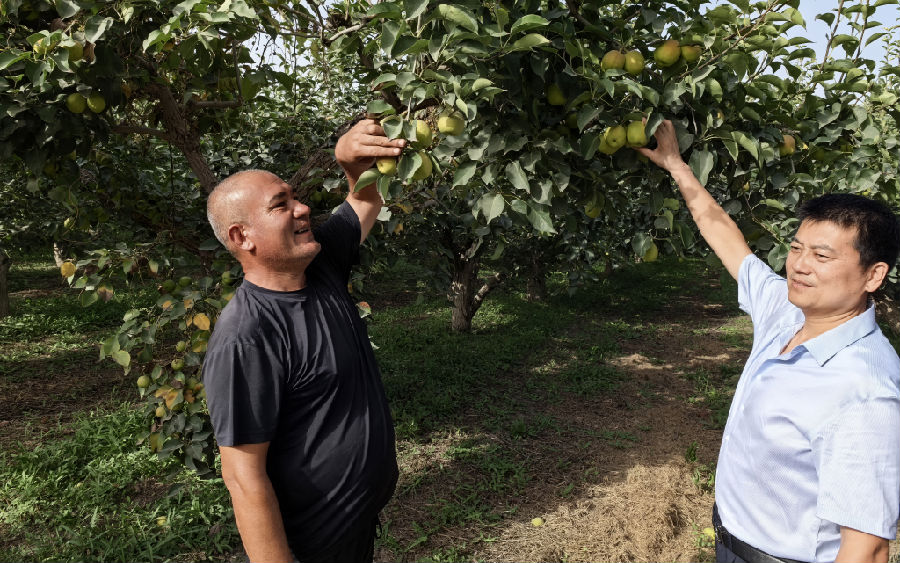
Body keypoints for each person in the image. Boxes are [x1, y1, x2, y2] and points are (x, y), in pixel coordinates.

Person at [637, 120, 900, 563]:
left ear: (873, 274)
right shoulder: (786, 309)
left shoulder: (864, 390)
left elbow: (867, 548)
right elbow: (725, 236)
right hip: (730, 543)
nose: (799, 265)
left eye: (822, 255)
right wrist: (677, 166)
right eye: (797, 248)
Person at [202, 119, 406, 563]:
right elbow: (242, 475)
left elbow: (365, 198)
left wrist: (350, 163)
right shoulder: (246, 338)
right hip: (314, 543)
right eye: (281, 205)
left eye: (295, 196)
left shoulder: (321, 263)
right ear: (242, 237)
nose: (302, 208)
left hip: (354, 525)